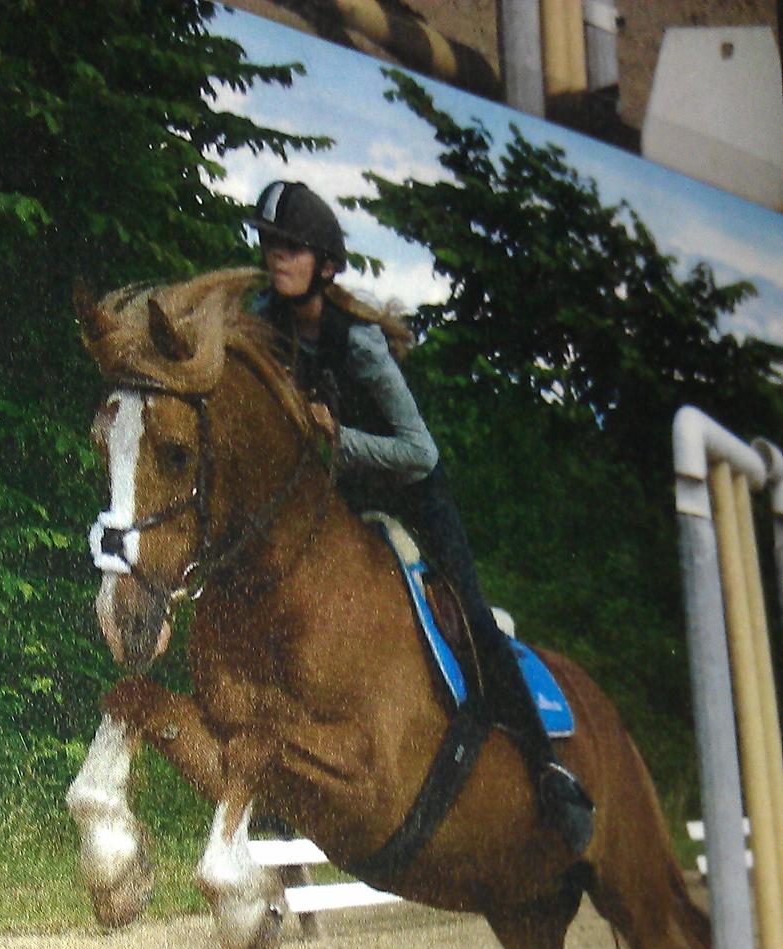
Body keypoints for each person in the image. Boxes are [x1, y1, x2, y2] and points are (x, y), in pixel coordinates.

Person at [246, 179, 595, 855]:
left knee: (476, 621)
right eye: (269, 243)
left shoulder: (362, 343)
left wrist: (335, 436)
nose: (275, 255)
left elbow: (418, 450)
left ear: (322, 263)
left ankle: (550, 775)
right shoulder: (266, 319)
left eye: (290, 246)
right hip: (339, 500)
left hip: (414, 495)